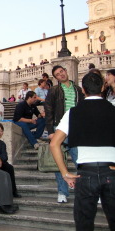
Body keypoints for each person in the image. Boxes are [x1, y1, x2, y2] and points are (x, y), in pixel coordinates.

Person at [50, 72, 115, 231]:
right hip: (112, 172)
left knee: (84, 225)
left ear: (83, 90)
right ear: (102, 87)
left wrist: (65, 173)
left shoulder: (72, 113)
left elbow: (54, 144)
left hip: (85, 174)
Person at [44, 65, 84, 203]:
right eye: (57, 74)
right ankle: (62, 191)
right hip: (59, 127)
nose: (61, 74)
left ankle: (83, 189)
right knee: (58, 161)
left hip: (76, 128)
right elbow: (49, 111)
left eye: (61, 71)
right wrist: (50, 131)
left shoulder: (78, 89)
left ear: (66, 71)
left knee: (80, 160)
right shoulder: (54, 90)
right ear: (56, 78)